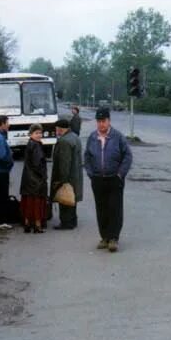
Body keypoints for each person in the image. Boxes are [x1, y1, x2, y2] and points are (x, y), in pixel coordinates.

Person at [84, 108, 132, 252]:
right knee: (101, 209)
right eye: (99, 121)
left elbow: (127, 156)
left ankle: (113, 239)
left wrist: (120, 174)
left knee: (114, 209)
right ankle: (104, 237)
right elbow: (87, 157)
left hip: (114, 179)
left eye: (103, 121)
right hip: (98, 179)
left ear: (109, 121)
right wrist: (91, 174)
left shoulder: (118, 137)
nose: (101, 124)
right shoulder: (92, 137)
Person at [50, 118, 83, 230]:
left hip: (67, 176)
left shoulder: (64, 141)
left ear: (60, 129)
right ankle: (73, 221)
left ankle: (66, 223)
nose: (56, 131)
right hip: (75, 175)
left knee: (64, 198)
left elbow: (64, 163)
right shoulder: (75, 137)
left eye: (57, 129)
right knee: (71, 198)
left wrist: (61, 180)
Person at [20, 124, 48, 233]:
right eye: (36, 133)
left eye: (40, 133)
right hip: (36, 180)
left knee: (28, 202)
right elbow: (38, 164)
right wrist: (43, 176)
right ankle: (37, 225)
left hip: (27, 178)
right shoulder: (36, 146)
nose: (39, 135)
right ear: (31, 134)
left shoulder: (29, 144)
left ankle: (27, 223)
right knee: (37, 203)